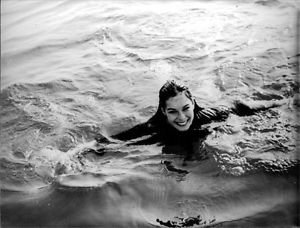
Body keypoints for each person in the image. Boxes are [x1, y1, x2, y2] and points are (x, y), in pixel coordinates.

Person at [95, 80, 282, 156]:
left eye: (185, 108)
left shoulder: (211, 115)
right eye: (173, 111)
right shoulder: (153, 128)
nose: (182, 118)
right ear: (163, 111)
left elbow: (239, 109)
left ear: (193, 103)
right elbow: (111, 142)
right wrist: (78, 153)